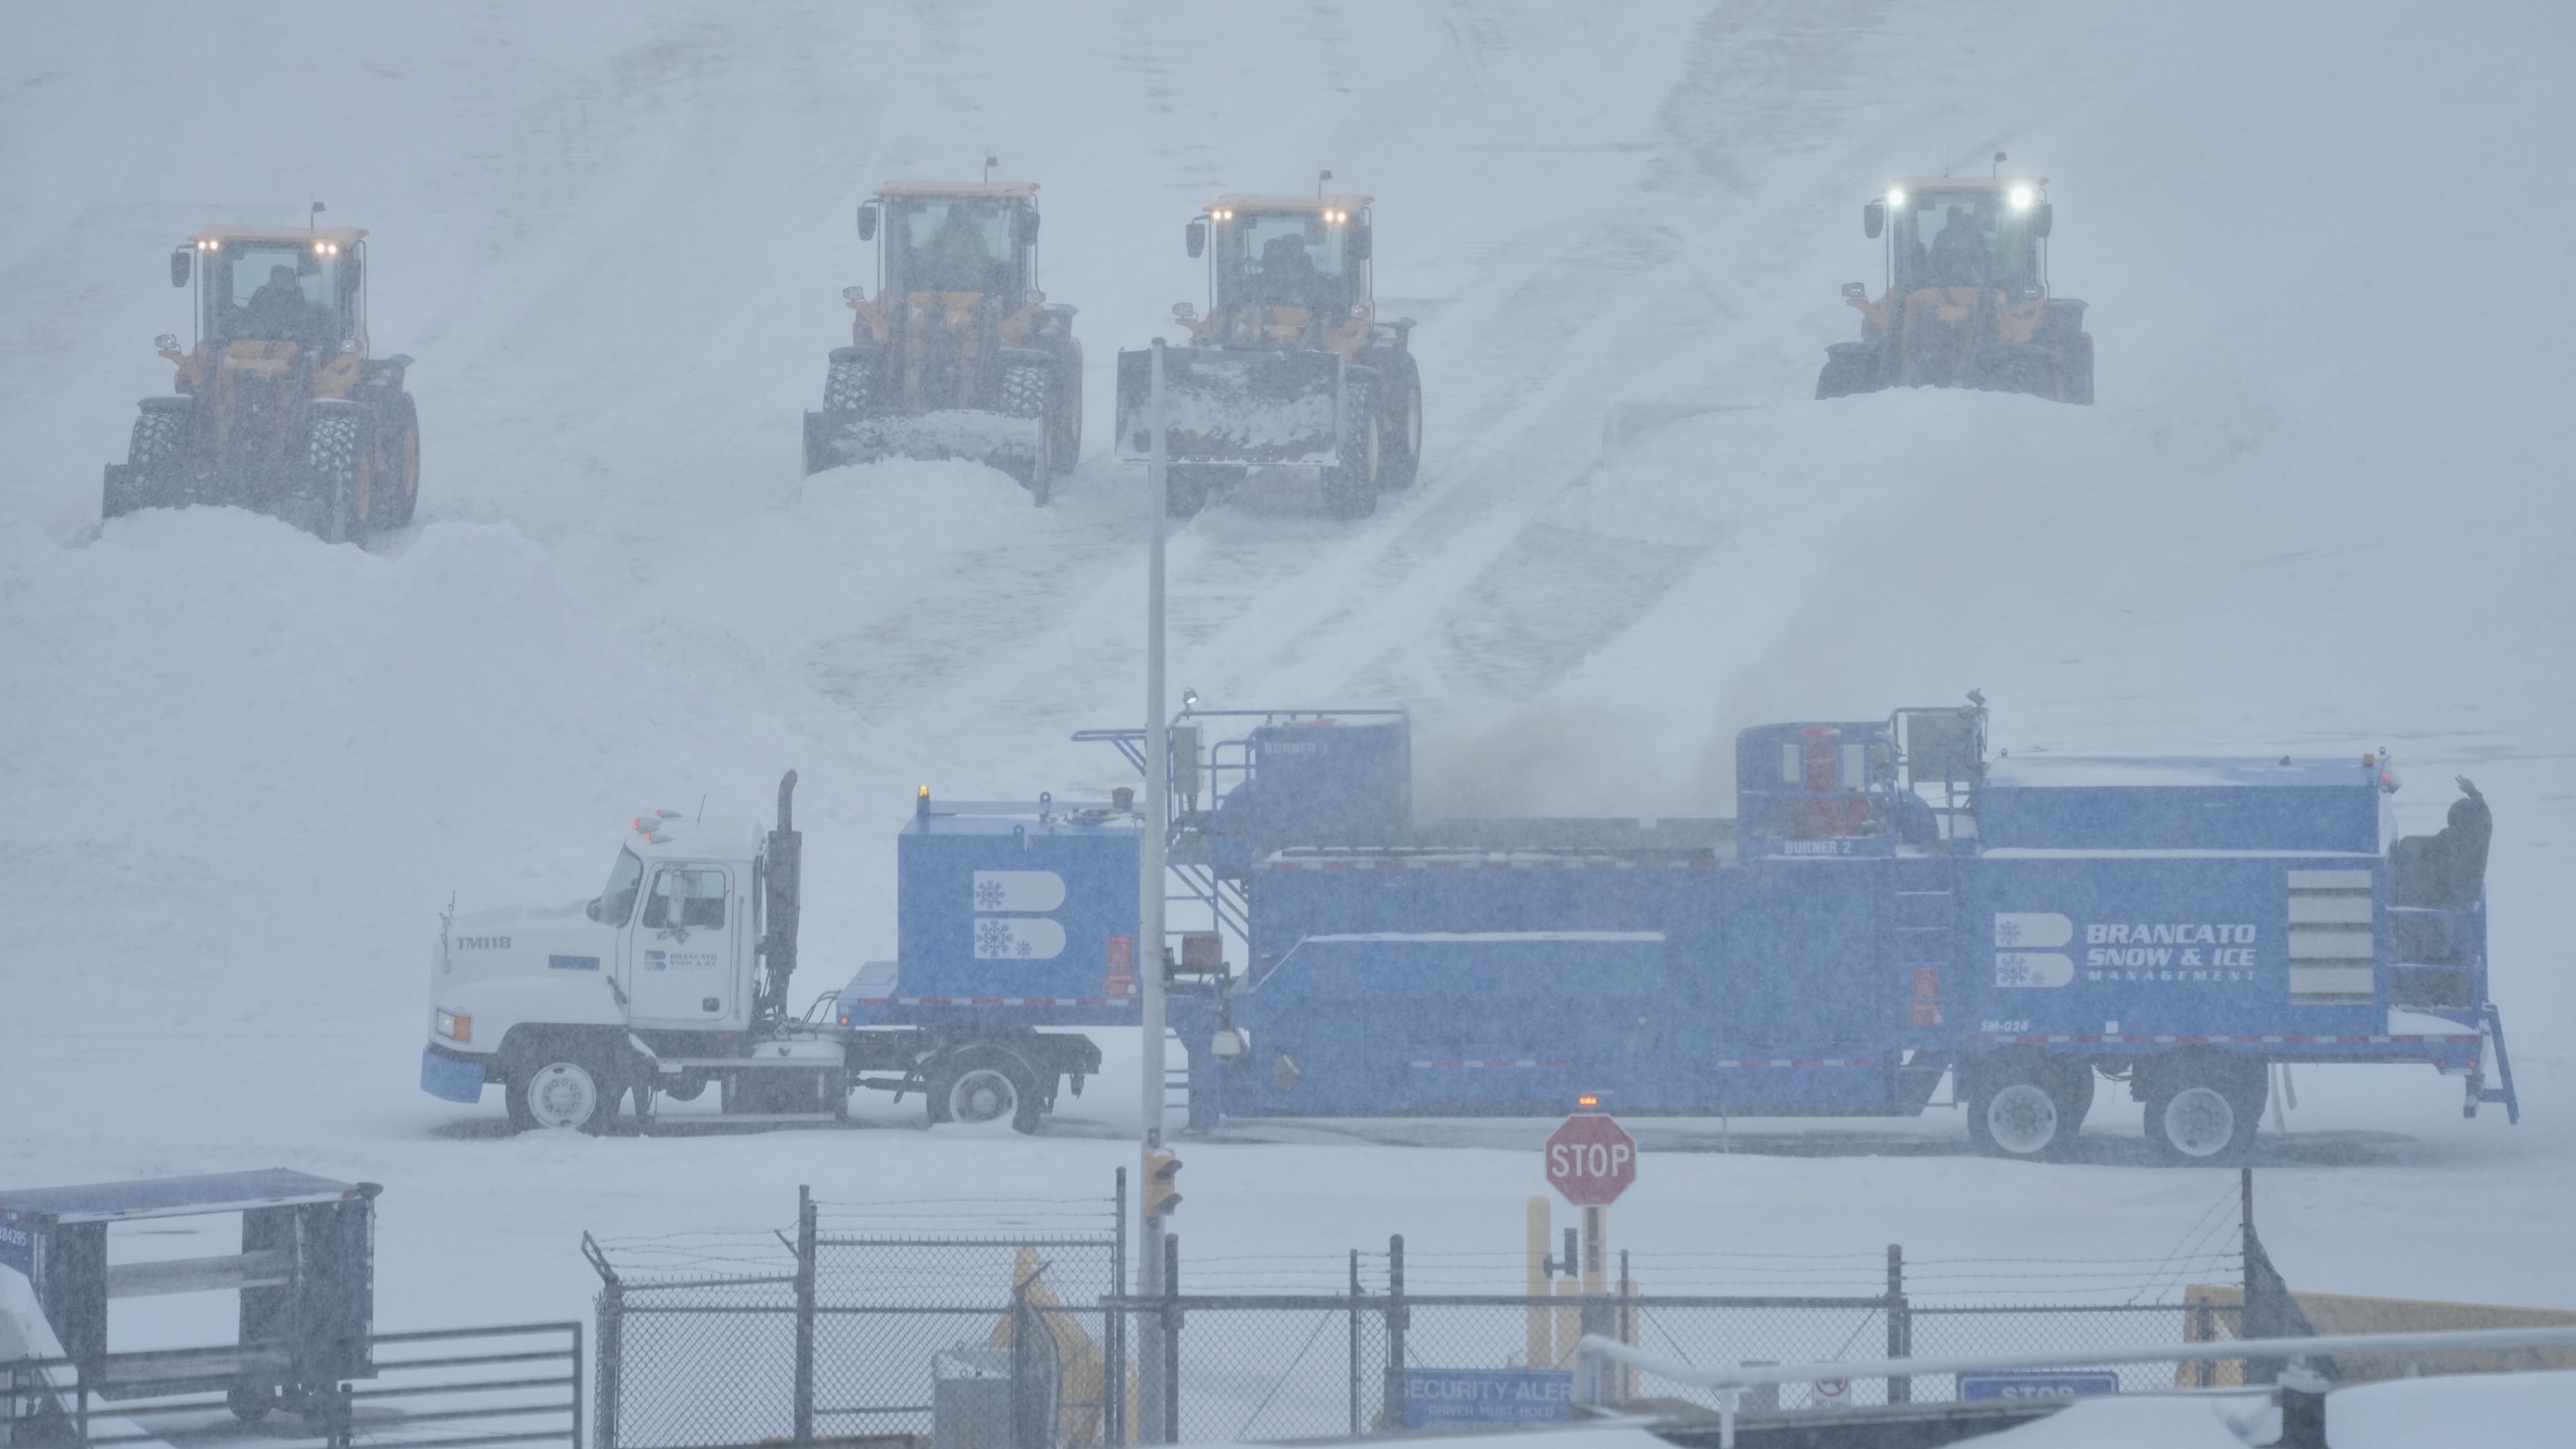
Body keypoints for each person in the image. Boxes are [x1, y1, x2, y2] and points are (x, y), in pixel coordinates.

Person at [1925, 205, 1989, 288]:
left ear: (1961, 217)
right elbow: (1933, 259)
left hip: (1970, 285)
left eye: (1957, 215)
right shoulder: (1941, 237)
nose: (1955, 219)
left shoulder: (1970, 237)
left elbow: (1980, 259)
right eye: (1952, 215)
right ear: (1948, 218)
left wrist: (1979, 278)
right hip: (1943, 286)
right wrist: (1934, 278)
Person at [242, 264, 313, 337]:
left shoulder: (297, 297)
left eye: (291, 278)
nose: (287, 281)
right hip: (258, 342)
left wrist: (293, 333)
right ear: (273, 278)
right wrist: (258, 329)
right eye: (283, 277)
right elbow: (251, 316)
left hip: (292, 344)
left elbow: (305, 323)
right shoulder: (262, 294)